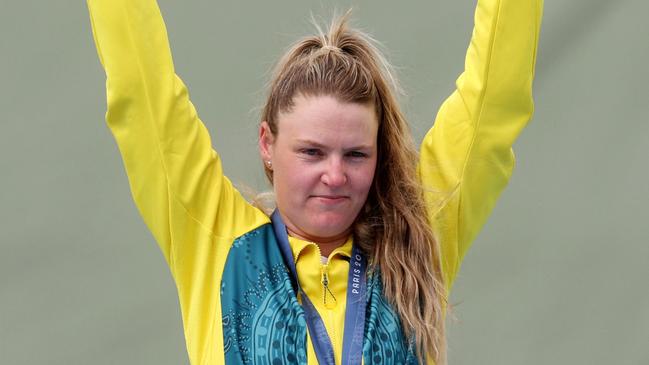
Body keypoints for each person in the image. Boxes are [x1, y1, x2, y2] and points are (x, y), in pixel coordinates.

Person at [87, 0, 543, 363]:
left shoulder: (422, 229)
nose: (335, 174)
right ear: (268, 143)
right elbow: (140, 87)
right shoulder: (217, 240)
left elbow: (494, 97)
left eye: (356, 154)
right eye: (311, 152)